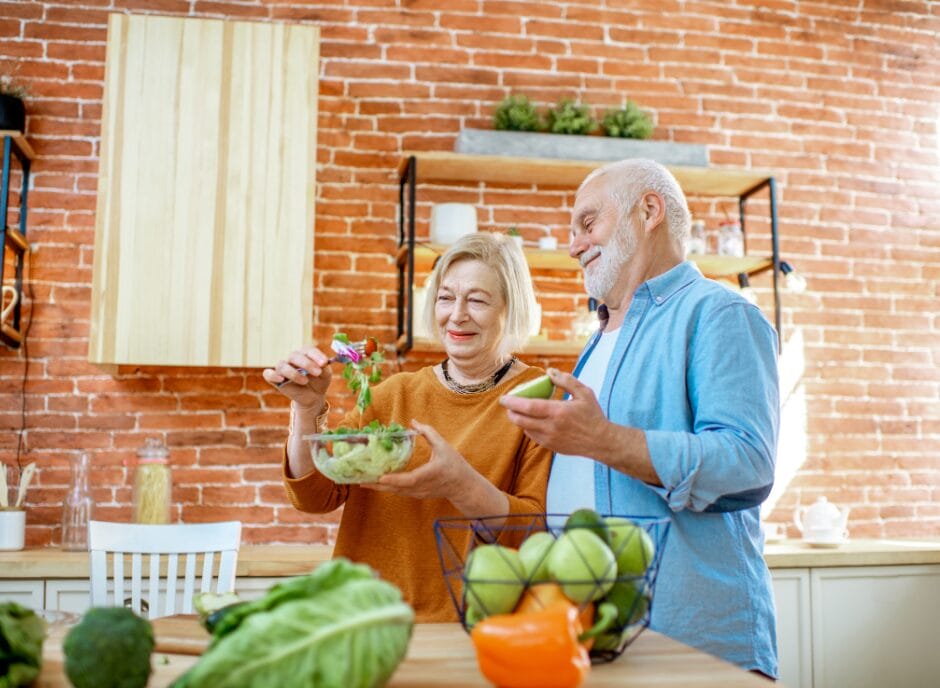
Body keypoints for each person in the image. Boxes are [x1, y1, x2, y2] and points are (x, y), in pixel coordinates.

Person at [500, 158, 780, 678]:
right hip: (603, 638)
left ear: (648, 210)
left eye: (588, 223)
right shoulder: (602, 337)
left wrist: (601, 439)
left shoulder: (719, 314)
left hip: (693, 645)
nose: (574, 245)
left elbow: (748, 464)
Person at [263, 232, 552, 621]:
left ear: (510, 308)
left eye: (478, 300)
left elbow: (535, 531)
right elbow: (314, 495)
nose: (457, 314)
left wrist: (461, 485)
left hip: (464, 627)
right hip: (359, 619)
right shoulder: (393, 395)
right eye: (446, 297)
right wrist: (307, 406)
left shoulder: (539, 398)